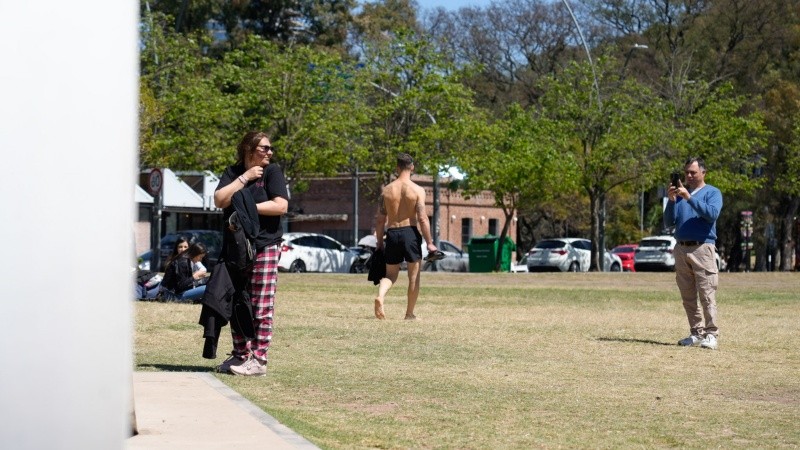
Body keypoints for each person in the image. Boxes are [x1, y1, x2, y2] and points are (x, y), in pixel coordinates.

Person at [213, 131, 288, 376]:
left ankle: (258, 360)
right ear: (249, 149)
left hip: (265, 244)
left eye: (270, 148)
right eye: (264, 148)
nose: (269, 152)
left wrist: (247, 208)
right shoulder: (234, 173)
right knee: (238, 301)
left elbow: (281, 205)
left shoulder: (272, 172)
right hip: (237, 248)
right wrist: (244, 178)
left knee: (262, 304)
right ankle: (240, 355)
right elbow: (220, 200)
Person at [664, 157, 723, 350]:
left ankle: (711, 334)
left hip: (702, 248)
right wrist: (672, 201)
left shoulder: (712, 193)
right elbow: (668, 222)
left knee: (706, 293)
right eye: (686, 172)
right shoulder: (680, 195)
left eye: (693, 172)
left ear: (703, 173)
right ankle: (696, 332)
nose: (688, 176)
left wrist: (689, 198)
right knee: (688, 295)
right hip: (681, 248)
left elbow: (711, 214)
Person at [373, 153, 438, 320]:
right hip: (410, 233)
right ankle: (409, 314)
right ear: (412, 167)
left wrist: (380, 242)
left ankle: (381, 295)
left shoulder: (386, 190)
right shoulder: (417, 190)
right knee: (413, 277)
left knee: (390, 276)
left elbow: (380, 220)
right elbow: (423, 219)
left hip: (392, 233)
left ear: (397, 167)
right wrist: (430, 243)